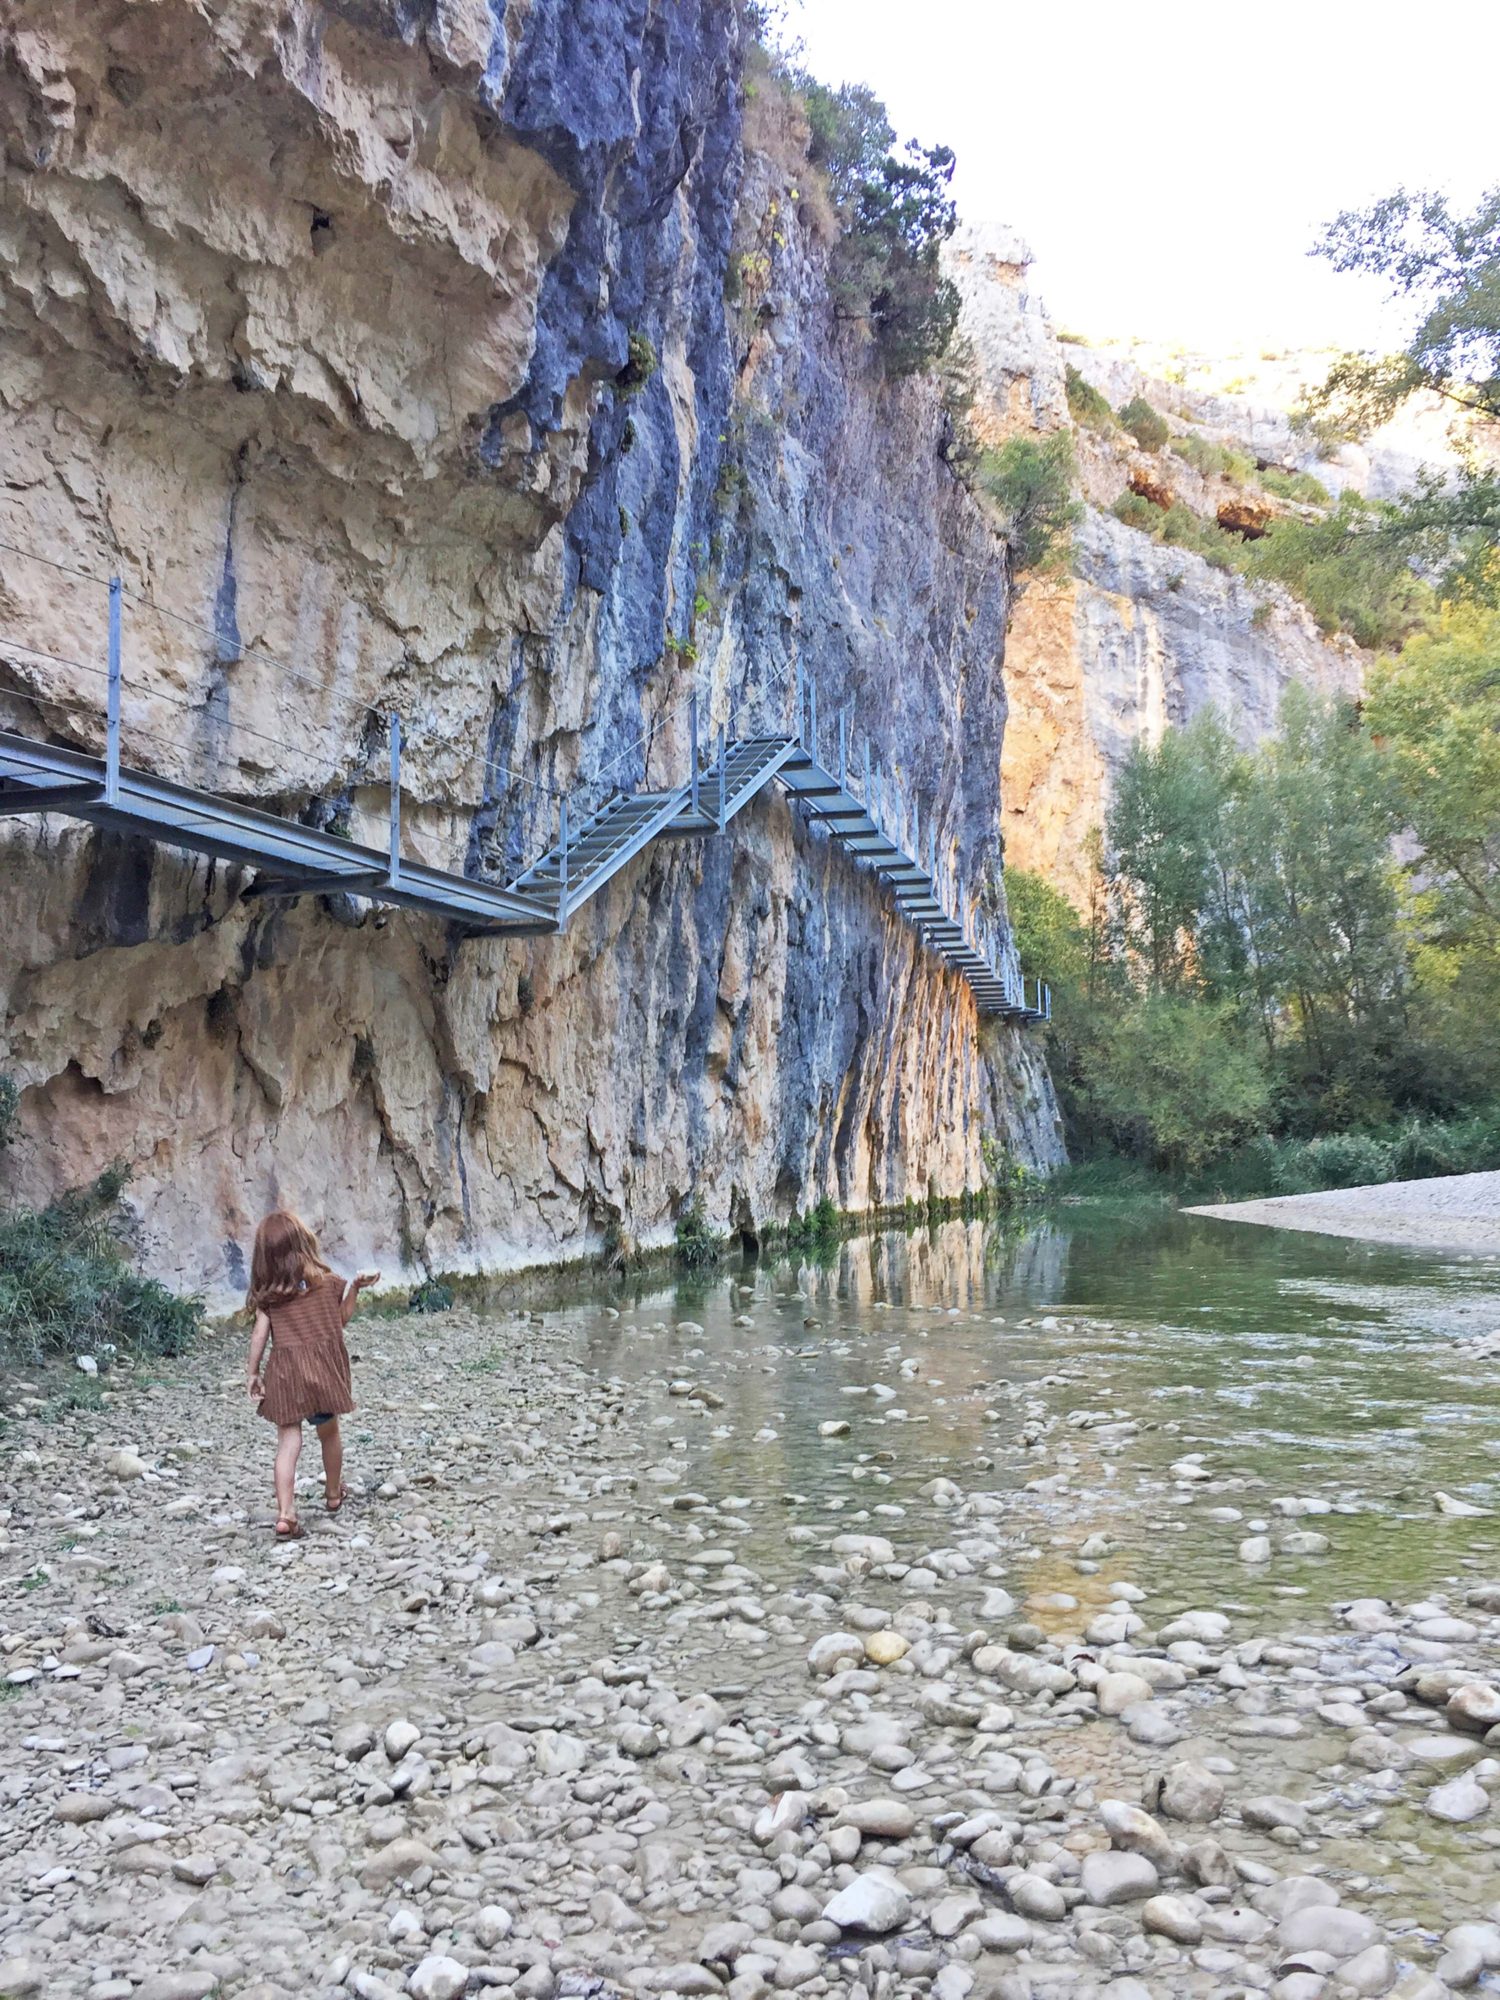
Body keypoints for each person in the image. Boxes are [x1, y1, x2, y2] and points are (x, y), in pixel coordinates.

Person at [244, 1209, 379, 1540]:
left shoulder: (270, 1298)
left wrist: (253, 1373)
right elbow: (341, 1319)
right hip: (320, 1375)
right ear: (304, 1245)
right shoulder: (328, 1284)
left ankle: (286, 1513)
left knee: (288, 1442)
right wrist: (355, 1290)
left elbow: (259, 1337)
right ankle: (333, 1494)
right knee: (329, 1432)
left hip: (286, 1377)